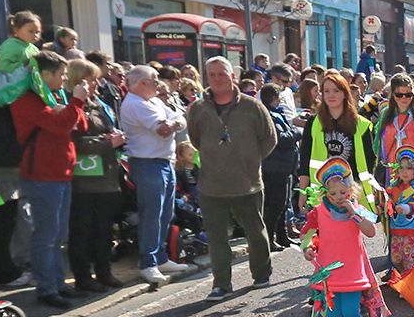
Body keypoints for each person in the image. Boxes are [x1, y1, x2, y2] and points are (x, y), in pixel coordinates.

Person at [187, 56, 278, 299]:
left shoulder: (252, 106)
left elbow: (270, 138)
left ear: (233, 76)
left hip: (247, 183)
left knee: (256, 232)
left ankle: (261, 274)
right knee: (217, 238)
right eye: (212, 74)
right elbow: (195, 138)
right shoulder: (198, 109)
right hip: (211, 185)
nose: (217, 79)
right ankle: (221, 284)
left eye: (221, 73)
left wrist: (251, 160)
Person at [10, 51, 86, 308]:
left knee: (59, 234)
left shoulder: (52, 96)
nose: (65, 78)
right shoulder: (27, 100)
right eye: (61, 74)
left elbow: (79, 125)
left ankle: (58, 283)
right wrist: (75, 103)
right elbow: (62, 125)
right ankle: (47, 288)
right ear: (44, 74)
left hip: (60, 174)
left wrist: (74, 104)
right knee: (46, 234)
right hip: (42, 175)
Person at [303, 159, 386, 317]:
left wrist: (354, 214)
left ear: (351, 190)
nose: (340, 197)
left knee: (350, 312)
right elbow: (309, 234)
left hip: (352, 271)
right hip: (328, 273)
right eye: (334, 193)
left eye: (344, 192)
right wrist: (308, 248)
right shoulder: (319, 211)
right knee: (332, 315)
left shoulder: (357, 209)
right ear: (326, 194)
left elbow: (371, 231)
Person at [118, 66, 190, 287]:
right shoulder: (134, 103)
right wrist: (173, 123)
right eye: (154, 80)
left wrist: (174, 122)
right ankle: (148, 262)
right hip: (147, 163)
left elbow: (179, 120)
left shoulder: (155, 102)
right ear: (142, 83)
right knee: (152, 214)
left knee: (165, 213)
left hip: (164, 161)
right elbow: (164, 129)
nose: (159, 83)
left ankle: (160, 256)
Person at [66, 61, 128, 292]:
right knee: (83, 230)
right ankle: (83, 276)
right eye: (92, 80)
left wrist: (114, 137)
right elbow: (73, 141)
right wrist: (106, 142)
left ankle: (104, 271)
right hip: (85, 180)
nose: (97, 84)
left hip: (107, 175)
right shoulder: (71, 105)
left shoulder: (97, 104)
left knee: (104, 228)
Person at [259, 83, 303, 253]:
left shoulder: (278, 114)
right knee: (275, 205)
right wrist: (298, 132)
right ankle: (269, 239)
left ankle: (282, 236)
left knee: (284, 204)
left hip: (286, 165)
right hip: (275, 166)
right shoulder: (268, 115)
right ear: (273, 98)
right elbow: (281, 138)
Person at [381, 149, 414, 280]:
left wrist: (405, 208)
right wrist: (382, 202)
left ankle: (409, 283)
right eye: (401, 168)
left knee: (409, 257)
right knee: (395, 257)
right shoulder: (393, 186)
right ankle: (405, 277)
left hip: (413, 229)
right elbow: (387, 200)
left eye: (408, 168)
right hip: (396, 228)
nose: (404, 171)